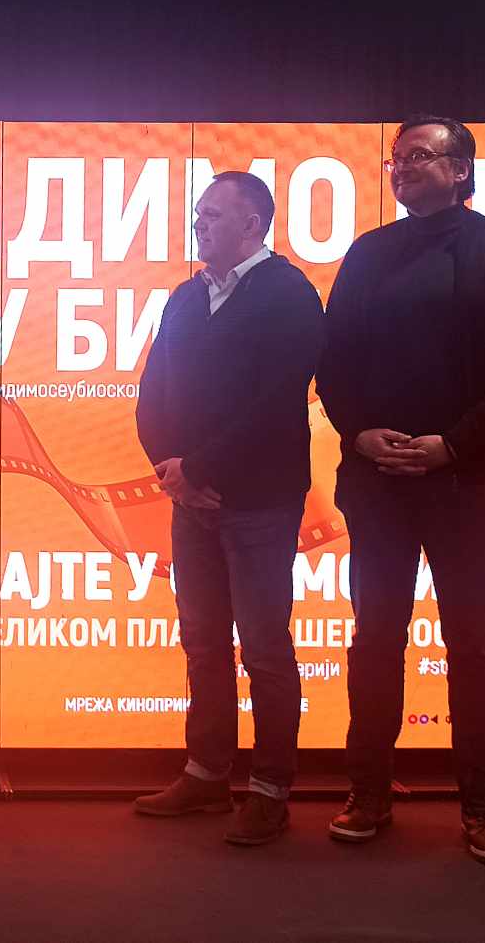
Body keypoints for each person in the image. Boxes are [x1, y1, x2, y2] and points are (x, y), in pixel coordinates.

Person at [316, 115, 485, 866]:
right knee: (375, 639)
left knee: (474, 647)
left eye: (419, 155)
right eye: (397, 158)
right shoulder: (368, 253)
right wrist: (359, 432)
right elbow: (333, 363)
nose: (402, 167)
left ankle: (484, 809)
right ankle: (368, 793)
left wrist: (453, 444)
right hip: (378, 481)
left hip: (468, 480)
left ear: (461, 169)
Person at [131, 171, 324, 845]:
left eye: (213, 214)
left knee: (264, 648)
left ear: (252, 224)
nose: (199, 224)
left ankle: (270, 791)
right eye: (198, 214)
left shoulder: (288, 294)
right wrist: (173, 471)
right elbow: (153, 391)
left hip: (259, 502)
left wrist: (200, 469)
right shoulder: (187, 297)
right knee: (203, 641)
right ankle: (207, 775)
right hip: (192, 501)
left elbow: (275, 402)